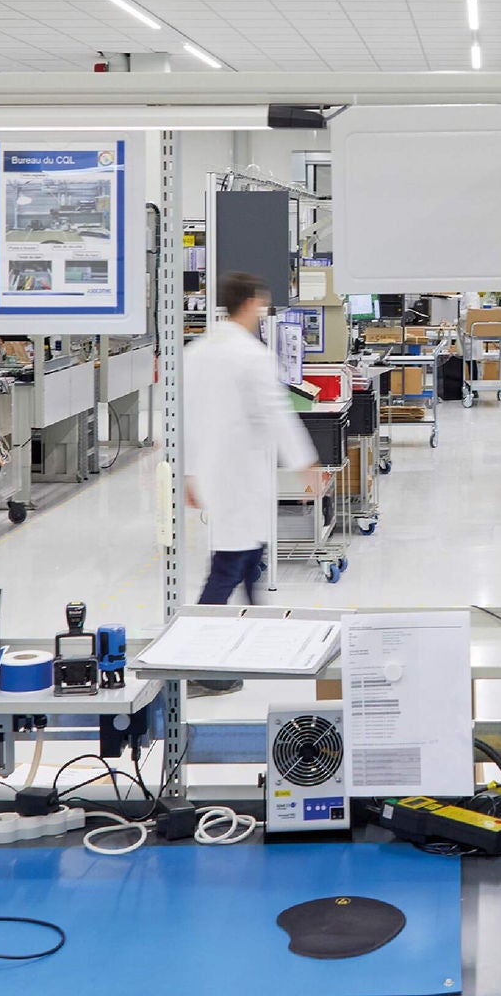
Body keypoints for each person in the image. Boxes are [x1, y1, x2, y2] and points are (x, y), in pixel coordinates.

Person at [183, 271, 317, 693]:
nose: (263, 311)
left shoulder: (198, 351)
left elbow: (183, 415)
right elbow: (276, 413)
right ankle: (197, 663)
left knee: (249, 562)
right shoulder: (252, 356)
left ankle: (260, 639)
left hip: (217, 474)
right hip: (241, 477)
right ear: (250, 303)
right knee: (228, 569)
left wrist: (188, 471)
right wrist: (306, 461)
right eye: (261, 303)